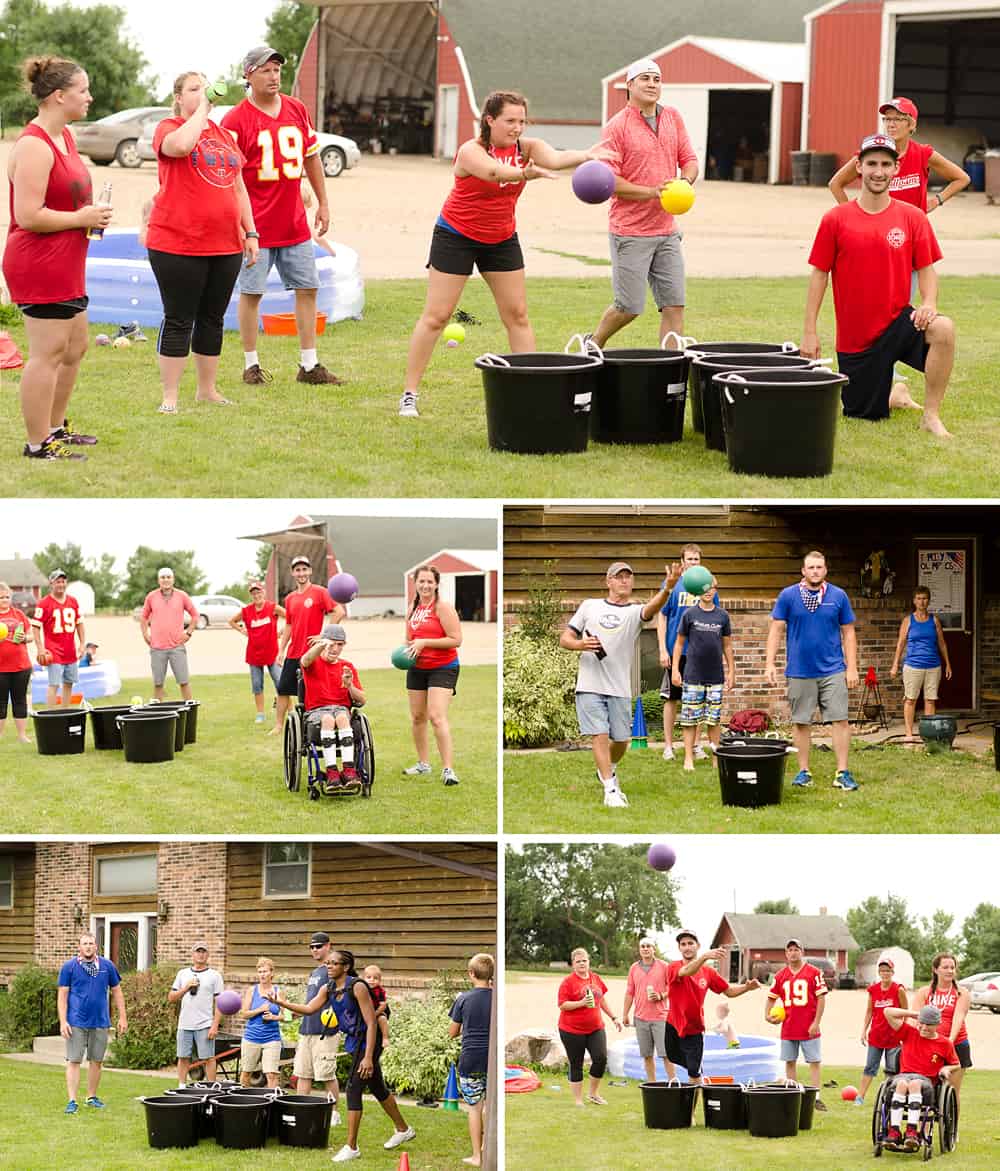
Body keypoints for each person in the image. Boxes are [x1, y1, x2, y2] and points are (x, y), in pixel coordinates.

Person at [398, 89, 611, 417]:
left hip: (501, 238)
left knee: (518, 315)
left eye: (522, 121)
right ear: (490, 120)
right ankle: (410, 394)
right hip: (456, 235)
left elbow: (554, 159)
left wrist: (588, 155)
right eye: (510, 120)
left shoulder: (529, 148)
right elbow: (493, 172)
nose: (517, 127)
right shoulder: (471, 150)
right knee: (437, 316)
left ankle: (532, 390)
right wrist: (525, 173)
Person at [802, 132, 954, 437]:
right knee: (863, 415)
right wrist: (809, 331)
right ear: (859, 166)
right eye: (871, 163)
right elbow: (820, 275)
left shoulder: (913, 217)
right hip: (858, 342)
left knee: (944, 329)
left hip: (899, 322)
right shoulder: (835, 219)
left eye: (886, 164)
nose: (879, 171)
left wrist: (929, 304)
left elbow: (926, 269)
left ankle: (931, 415)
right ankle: (894, 393)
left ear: (896, 169)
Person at [827, 97, 970, 406]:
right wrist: (856, 222)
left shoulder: (923, 155)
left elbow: (962, 178)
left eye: (898, 119)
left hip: (909, 246)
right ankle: (893, 386)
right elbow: (836, 184)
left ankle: (896, 385)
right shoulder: (873, 154)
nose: (891, 124)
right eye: (887, 119)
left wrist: (937, 200)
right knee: (880, 317)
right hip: (877, 248)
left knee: (900, 315)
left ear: (912, 125)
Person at [2, 56, 110, 461]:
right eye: (83, 90)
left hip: (66, 258)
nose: (90, 97)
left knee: (76, 345)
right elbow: (28, 216)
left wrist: (89, 215)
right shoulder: (33, 145)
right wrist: (80, 217)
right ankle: (36, 444)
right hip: (38, 261)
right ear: (58, 96)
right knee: (46, 354)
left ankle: (55, 426)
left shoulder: (66, 138)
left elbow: (65, 197)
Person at [221, 46, 343, 386]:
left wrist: (323, 202)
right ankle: (251, 365)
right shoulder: (235, 120)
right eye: (266, 70)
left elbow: (311, 158)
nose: (274, 76)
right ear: (248, 74)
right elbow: (230, 177)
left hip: (293, 222)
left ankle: (309, 365)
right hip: (256, 224)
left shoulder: (296, 109)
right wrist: (243, 227)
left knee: (307, 288)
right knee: (252, 293)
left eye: (277, 70)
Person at [146, 71, 259, 413]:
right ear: (179, 97)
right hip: (176, 242)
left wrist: (250, 232)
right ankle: (170, 396)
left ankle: (207, 389)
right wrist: (203, 109)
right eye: (194, 89)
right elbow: (182, 147)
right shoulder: (168, 128)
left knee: (213, 318)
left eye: (205, 87)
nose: (202, 92)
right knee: (179, 317)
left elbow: (238, 187)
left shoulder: (224, 136)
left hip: (225, 243)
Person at [587, 59, 698, 350]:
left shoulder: (673, 117)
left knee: (674, 306)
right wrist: (652, 193)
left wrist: (685, 182)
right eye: (645, 78)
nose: (652, 84)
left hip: (667, 231)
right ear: (630, 85)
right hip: (630, 232)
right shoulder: (616, 127)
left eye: (657, 79)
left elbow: (689, 159)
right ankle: (594, 342)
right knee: (629, 307)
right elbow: (609, 181)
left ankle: (670, 374)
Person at [275, 948, 415, 1163]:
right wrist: (281, 1003)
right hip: (353, 1040)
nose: (328, 966)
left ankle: (352, 1146)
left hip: (368, 1040)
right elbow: (309, 1008)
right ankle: (403, 1129)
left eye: (333, 963)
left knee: (353, 1088)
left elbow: (371, 1023)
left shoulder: (357, 986)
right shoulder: (329, 987)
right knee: (377, 1087)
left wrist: (368, 1057)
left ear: (346, 967)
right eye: (328, 963)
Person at [560, 560, 681, 807]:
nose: (624, 580)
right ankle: (610, 790)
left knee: (622, 740)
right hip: (590, 685)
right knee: (599, 735)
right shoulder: (589, 606)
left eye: (628, 576)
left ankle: (609, 768)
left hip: (619, 687)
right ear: (609, 581)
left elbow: (651, 609)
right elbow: (565, 638)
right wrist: (580, 645)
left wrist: (667, 589)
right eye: (619, 576)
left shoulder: (633, 613)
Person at [764, 550, 860, 791]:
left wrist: (852, 668)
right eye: (811, 567)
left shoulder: (838, 596)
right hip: (799, 670)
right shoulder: (788, 596)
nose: (815, 571)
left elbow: (849, 632)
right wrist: (769, 663)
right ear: (803, 571)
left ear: (825, 570)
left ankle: (842, 772)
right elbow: (776, 629)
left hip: (833, 669)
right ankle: (803, 771)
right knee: (801, 722)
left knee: (840, 720)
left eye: (819, 567)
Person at [666, 930, 758, 1085]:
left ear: (698, 945)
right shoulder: (673, 967)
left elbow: (728, 991)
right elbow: (687, 971)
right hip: (673, 1025)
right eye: (683, 944)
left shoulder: (708, 972)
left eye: (690, 943)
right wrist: (704, 957)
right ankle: (696, 1076)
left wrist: (746, 988)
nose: (687, 947)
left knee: (694, 1073)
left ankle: (692, 1107)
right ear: (679, 948)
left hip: (694, 1029)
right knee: (672, 1057)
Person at [402, 564, 462, 786]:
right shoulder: (412, 609)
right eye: (421, 581)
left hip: (443, 667)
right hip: (417, 667)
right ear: (415, 583)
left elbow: (456, 639)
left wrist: (425, 642)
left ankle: (448, 770)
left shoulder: (443, 608)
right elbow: (408, 640)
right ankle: (423, 764)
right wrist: (403, 653)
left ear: (436, 584)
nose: (425, 585)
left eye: (430, 582)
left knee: (437, 717)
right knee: (418, 717)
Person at [57, 932, 127, 1113]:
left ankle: (91, 1097)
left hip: (100, 1022)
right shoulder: (69, 967)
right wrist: (63, 1021)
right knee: (74, 1060)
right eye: (84, 943)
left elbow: (117, 991)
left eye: (91, 943)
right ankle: (72, 1101)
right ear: (79, 947)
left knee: (96, 1061)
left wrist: (122, 1017)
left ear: (96, 946)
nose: (88, 946)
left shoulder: (107, 966)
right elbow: (62, 996)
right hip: (76, 1022)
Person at [671, 575, 734, 770]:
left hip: (715, 677)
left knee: (713, 720)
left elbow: (727, 645)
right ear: (699, 590)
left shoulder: (722, 616)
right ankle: (688, 757)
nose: (708, 591)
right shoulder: (689, 614)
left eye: (712, 587)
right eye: (705, 588)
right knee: (690, 719)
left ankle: (716, 757)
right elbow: (679, 643)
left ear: (716, 589)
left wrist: (732, 670)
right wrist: (675, 669)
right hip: (693, 675)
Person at [274, 555, 341, 734]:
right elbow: (288, 625)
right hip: (293, 652)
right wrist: (281, 649)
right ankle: (279, 726)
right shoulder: (289, 599)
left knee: (313, 693)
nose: (301, 573)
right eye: (297, 570)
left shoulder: (320, 592)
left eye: (304, 569)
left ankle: (319, 724)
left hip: (313, 654)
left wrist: (324, 636)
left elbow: (338, 611)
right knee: (282, 690)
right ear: (292, 573)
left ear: (310, 571)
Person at [882, 1004, 959, 1150]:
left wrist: (945, 1068)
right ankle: (895, 1130)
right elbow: (887, 1012)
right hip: (903, 1076)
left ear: (937, 1024)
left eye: (928, 1024)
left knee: (914, 1084)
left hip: (926, 1081)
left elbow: (956, 1064)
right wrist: (915, 1014)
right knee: (902, 1084)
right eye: (921, 1023)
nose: (923, 1027)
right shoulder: (909, 1032)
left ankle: (912, 1131)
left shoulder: (945, 1043)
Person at [300, 623, 365, 795]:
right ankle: (331, 772)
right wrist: (322, 643)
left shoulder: (347, 666)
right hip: (317, 710)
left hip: (341, 709)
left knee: (342, 718)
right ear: (324, 642)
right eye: (332, 643)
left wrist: (349, 685)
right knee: (328, 719)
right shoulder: (313, 662)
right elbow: (305, 660)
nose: (335, 648)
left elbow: (362, 699)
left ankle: (349, 771)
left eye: (340, 644)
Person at [765, 938, 829, 1111]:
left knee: (814, 1061)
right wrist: (767, 1015)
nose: (793, 952)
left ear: (802, 951)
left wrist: (816, 1022)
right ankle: (793, 1095)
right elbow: (771, 997)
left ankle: (816, 1096)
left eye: (796, 949)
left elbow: (822, 998)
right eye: (790, 950)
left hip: (809, 1027)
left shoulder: (814, 972)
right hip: (789, 1026)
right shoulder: (780, 976)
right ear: (786, 953)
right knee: (790, 1061)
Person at [656, 543, 706, 762]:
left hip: (701, 653)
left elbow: (714, 615)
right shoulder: (673, 585)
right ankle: (668, 746)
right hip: (676, 653)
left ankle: (696, 745)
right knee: (672, 699)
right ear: (682, 561)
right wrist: (662, 649)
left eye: (696, 559)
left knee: (698, 700)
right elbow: (662, 616)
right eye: (690, 559)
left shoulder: (706, 583)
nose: (693, 562)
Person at [557, 947, 622, 1106]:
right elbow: (562, 1005)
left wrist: (614, 1017)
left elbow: (602, 1000)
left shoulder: (596, 978)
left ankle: (593, 1094)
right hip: (571, 1030)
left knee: (600, 1058)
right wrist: (581, 1003)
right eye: (578, 961)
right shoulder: (568, 982)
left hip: (596, 1028)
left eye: (584, 960)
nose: (582, 964)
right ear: (573, 964)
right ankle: (578, 1100)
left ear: (588, 961)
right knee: (576, 1063)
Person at [889, 585, 952, 742]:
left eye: (924, 598)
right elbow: (900, 644)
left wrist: (948, 664)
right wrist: (895, 664)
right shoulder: (908, 621)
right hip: (913, 666)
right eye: (919, 598)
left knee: (930, 700)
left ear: (928, 601)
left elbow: (942, 644)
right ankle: (909, 734)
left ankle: (928, 734)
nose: (922, 602)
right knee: (910, 699)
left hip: (933, 666)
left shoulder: (934, 621)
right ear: (914, 601)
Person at [448, 952, 493, 1167]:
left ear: (471, 973)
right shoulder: (497, 997)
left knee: (475, 1107)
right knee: (490, 1106)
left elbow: (452, 1033)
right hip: (491, 1060)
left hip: (471, 1060)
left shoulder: (463, 999)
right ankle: (487, 1146)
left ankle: (477, 1155)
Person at [911, 953, 972, 1096]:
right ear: (935, 970)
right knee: (924, 1087)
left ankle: (951, 1119)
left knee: (952, 1091)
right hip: (929, 1045)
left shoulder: (961, 993)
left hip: (956, 1045)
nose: (950, 970)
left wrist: (948, 1042)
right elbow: (914, 1017)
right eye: (945, 967)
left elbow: (959, 1017)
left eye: (952, 967)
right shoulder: (924, 992)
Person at [228, 581, 285, 727]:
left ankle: (288, 709)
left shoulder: (272, 607)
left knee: (280, 683)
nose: (256, 595)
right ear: (251, 595)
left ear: (263, 592)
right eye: (253, 593)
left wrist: (282, 632)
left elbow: (291, 617)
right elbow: (232, 621)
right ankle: (260, 714)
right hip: (254, 654)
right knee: (257, 685)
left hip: (272, 653)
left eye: (258, 592)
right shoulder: (246, 611)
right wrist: (242, 630)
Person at [139, 567, 199, 701]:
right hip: (157, 648)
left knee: (184, 681)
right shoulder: (151, 597)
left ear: (173, 579)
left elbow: (195, 615)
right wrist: (145, 635)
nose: (165, 580)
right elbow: (143, 617)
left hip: (177, 647)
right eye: (163, 577)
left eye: (168, 577)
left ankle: (189, 710)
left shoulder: (182, 596)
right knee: (158, 683)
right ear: (158, 580)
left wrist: (188, 633)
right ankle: (158, 713)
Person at [167, 942, 223, 1086]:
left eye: (204, 951)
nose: (201, 954)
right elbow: (171, 998)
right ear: (192, 955)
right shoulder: (183, 974)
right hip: (184, 1024)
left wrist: (215, 1025)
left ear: (208, 955)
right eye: (198, 951)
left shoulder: (215, 976)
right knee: (182, 1056)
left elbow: (220, 1003)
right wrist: (186, 988)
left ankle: (212, 1087)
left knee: (208, 1058)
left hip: (205, 1024)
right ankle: (181, 1086)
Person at [622, 937, 675, 1082]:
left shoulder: (664, 966)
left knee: (666, 1054)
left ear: (654, 949)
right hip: (640, 1018)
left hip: (661, 1017)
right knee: (646, 1055)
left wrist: (660, 996)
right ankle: (652, 1083)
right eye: (642, 946)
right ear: (639, 950)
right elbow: (629, 992)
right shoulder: (633, 968)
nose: (645, 949)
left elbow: (673, 987)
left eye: (648, 946)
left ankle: (673, 1082)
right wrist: (625, 1013)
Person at [856, 955, 908, 1106]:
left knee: (892, 1069)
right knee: (870, 1067)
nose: (885, 973)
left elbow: (905, 1011)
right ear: (878, 972)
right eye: (882, 970)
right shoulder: (873, 990)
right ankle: (860, 1096)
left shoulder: (898, 989)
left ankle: (889, 1098)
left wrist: (903, 1031)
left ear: (892, 972)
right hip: (876, 1036)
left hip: (893, 1037)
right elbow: (869, 1012)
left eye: (888, 970)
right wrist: (863, 1030)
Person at [32, 568, 85, 707]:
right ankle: (51, 716)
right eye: (57, 581)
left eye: (63, 581)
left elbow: (79, 623)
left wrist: (82, 643)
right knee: (54, 684)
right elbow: (36, 627)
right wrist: (40, 648)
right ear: (51, 583)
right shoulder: (44, 603)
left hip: (70, 649)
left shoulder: (73, 601)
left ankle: (65, 713)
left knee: (69, 683)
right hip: (53, 650)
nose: (61, 584)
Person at [240, 956, 283, 1089]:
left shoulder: (278, 992)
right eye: (260, 972)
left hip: (272, 1039)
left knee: (272, 1074)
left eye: (265, 971)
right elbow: (244, 1014)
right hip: (251, 1037)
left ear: (272, 973)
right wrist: (260, 1010)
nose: (262, 974)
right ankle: (244, 1102)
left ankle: (272, 1106)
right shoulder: (252, 991)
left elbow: (286, 1015)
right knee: (246, 1073)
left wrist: (274, 1017)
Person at [0, 581, 34, 742]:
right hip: (1, 668)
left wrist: (24, 638)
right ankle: (0, 735)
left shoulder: (19, 614)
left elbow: (31, 636)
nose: (4, 600)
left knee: (19, 700)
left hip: (21, 666)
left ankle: (22, 735)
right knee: (1, 702)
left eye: (7, 597)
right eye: (1, 598)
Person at [363, 964, 391, 1048]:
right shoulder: (362, 988)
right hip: (365, 1010)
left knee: (382, 1019)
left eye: (375, 978)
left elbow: (383, 1005)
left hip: (376, 1010)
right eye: (369, 977)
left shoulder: (380, 991)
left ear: (380, 980)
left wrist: (374, 1014)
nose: (372, 980)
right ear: (364, 978)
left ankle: (385, 1038)